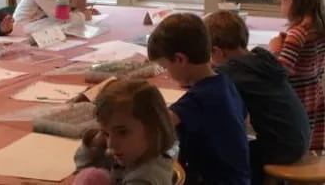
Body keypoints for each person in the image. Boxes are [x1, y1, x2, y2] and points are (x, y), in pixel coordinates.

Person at [204, 10, 310, 185]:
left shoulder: (233, 72)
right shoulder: (261, 59)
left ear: (217, 52)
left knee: (226, 157)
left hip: (283, 146)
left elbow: (208, 85)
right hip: (300, 137)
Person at [148, 13, 250, 185]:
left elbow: (155, 125)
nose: (166, 73)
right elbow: (245, 119)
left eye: (165, 67)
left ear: (180, 59)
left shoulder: (198, 99)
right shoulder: (225, 83)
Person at [74, 80, 175, 185]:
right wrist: (96, 142)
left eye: (122, 132)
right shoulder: (132, 156)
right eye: (106, 134)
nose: (111, 144)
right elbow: (85, 172)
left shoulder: (144, 178)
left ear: (153, 128)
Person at [269, 0, 325, 151]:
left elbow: (280, 72)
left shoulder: (297, 33)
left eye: (283, 0)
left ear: (297, 1)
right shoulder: (318, 28)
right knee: (310, 151)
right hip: (314, 98)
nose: (281, 6)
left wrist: (275, 50)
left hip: (297, 101)